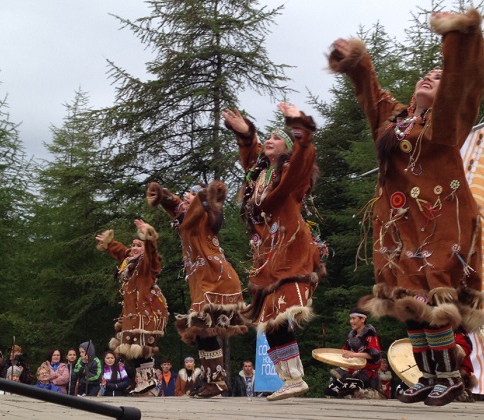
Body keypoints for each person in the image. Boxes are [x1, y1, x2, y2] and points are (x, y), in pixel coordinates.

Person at [327, 9, 484, 406]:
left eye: (437, 76)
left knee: (435, 297)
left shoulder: (445, 120)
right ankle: (426, 377)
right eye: (425, 75)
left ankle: (449, 378)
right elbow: (370, 91)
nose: (429, 78)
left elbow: (460, 85)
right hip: (398, 223)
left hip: (440, 219)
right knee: (409, 300)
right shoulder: (394, 118)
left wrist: (457, 36)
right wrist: (355, 60)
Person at [222, 102, 325, 401]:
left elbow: (306, 154)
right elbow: (250, 155)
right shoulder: (259, 174)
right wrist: (245, 134)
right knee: (268, 320)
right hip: (266, 256)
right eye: (267, 137)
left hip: (291, 250)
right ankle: (291, 379)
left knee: (281, 312)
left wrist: (297, 122)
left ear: (287, 147)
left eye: (277, 137)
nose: (270, 139)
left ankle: (295, 378)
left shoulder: (292, 172)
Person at [148, 176, 248, 399]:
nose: (186, 196)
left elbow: (215, 218)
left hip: (217, 279)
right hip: (201, 281)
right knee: (201, 332)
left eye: (191, 194)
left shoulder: (204, 215)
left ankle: (218, 383)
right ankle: (213, 382)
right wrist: (160, 194)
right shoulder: (185, 216)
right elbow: (172, 202)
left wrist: (210, 196)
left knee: (205, 329)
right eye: (186, 193)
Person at [96, 219, 169, 395]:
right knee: (132, 350)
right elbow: (122, 251)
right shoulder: (130, 260)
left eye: (139, 245)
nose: (134, 248)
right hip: (132, 313)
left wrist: (149, 237)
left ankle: (149, 384)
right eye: (133, 245)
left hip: (149, 311)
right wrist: (109, 243)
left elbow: (152, 252)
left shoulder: (148, 263)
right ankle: (144, 384)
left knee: (143, 348)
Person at [325, 308, 382, 398]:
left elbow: (374, 354)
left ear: (362, 319)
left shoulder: (370, 335)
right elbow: (344, 351)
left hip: (366, 372)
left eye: (354, 318)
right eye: (350, 319)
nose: (351, 321)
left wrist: (353, 355)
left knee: (344, 388)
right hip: (351, 369)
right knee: (330, 388)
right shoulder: (351, 336)